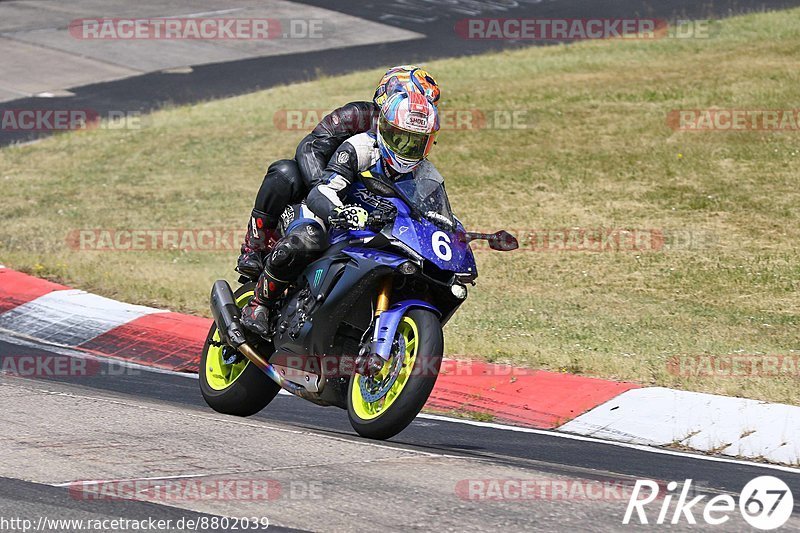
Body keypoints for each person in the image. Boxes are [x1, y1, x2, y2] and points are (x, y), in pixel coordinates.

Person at [241, 91, 441, 336]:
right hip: (331, 213)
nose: (409, 150)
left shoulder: (426, 174)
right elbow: (322, 190)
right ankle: (259, 304)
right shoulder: (361, 147)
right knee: (307, 239)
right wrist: (339, 211)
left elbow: (434, 215)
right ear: (386, 130)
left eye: (417, 142)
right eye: (402, 140)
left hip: (375, 228)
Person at [236, 66, 441, 279]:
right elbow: (310, 147)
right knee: (285, 172)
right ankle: (254, 246)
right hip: (325, 184)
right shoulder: (355, 116)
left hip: (368, 198)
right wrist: (322, 190)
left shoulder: (409, 140)